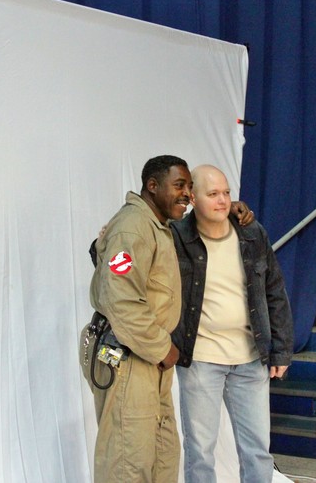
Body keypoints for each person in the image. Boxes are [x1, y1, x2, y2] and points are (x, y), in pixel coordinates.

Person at [170, 164, 293, 483]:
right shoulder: (176, 235)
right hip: (200, 360)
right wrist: (108, 244)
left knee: (258, 451)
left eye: (226, 192)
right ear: (193, 198)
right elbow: (123, 256)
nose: (223, 200)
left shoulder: (252, 233)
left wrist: (281, 351)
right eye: (213, 194)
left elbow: (275, 291)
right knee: (200, 451)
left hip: (251, 358)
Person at [85, 155, 191, 483]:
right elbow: (122, 300)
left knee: (160, 455)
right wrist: (162, 348)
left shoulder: (157, 225)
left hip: (146, 357)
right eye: (179, 185)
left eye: (190, 187)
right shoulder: (132, 227)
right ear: (152, 186)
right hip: (128, 355)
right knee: (127, 462)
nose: (187, 194)